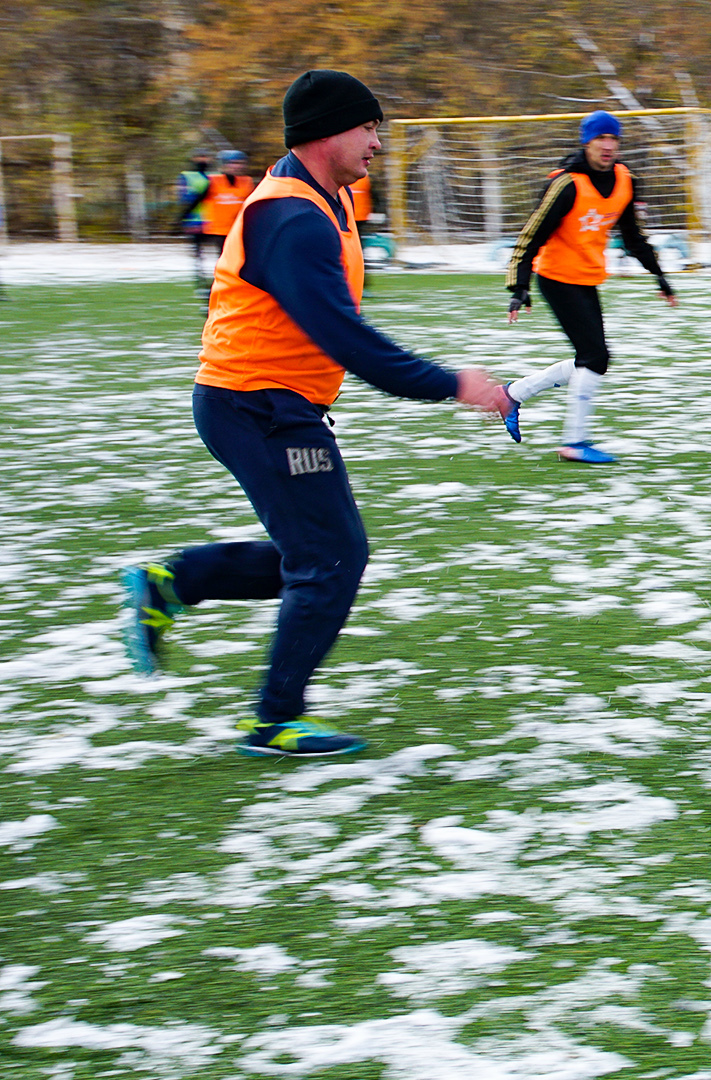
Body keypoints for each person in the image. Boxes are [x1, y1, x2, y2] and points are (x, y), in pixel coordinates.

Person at [121, 69, 510, 759]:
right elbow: (348, 341)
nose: (377, 144)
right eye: (368, 129)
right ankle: (273, 720)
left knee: (316, 555)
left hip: (266, 403)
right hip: (258, 407)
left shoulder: (322, 199)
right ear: (329, 131)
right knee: (332, 556)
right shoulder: (294, 217)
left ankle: (174, 582)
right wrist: (456, 384)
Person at [500, 110, 677, 463]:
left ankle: (512, 394)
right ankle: (574, 443)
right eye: (600, 139)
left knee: (591, 358)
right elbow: (530, 236)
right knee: (596, 357)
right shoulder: (567, 184)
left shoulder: (625, 180)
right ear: (586, 143)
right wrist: (519, 286)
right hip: (555, 277)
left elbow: (632, 237)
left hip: (587, 277)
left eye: (613, 139)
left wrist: (659, 275)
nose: (608, 146)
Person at [200, 149, 254, 260]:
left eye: (239, 163)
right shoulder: (212, 181)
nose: (236, 166)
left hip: (240, 227)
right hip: (220, 229)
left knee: (242, 257)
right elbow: (198, 199)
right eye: (232, 163)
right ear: (223, 165)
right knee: (224, 257)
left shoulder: (247, 181)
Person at [177, 151, 214, 295]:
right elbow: (185, 198)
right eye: (200, 157)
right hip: (194, 220)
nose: (203, 160)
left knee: (219, 253)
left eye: (205, 157)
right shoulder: (186, 176)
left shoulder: (215, 176)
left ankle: (215, 281)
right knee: (198, 254)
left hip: (213, 220)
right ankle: (200, 280)